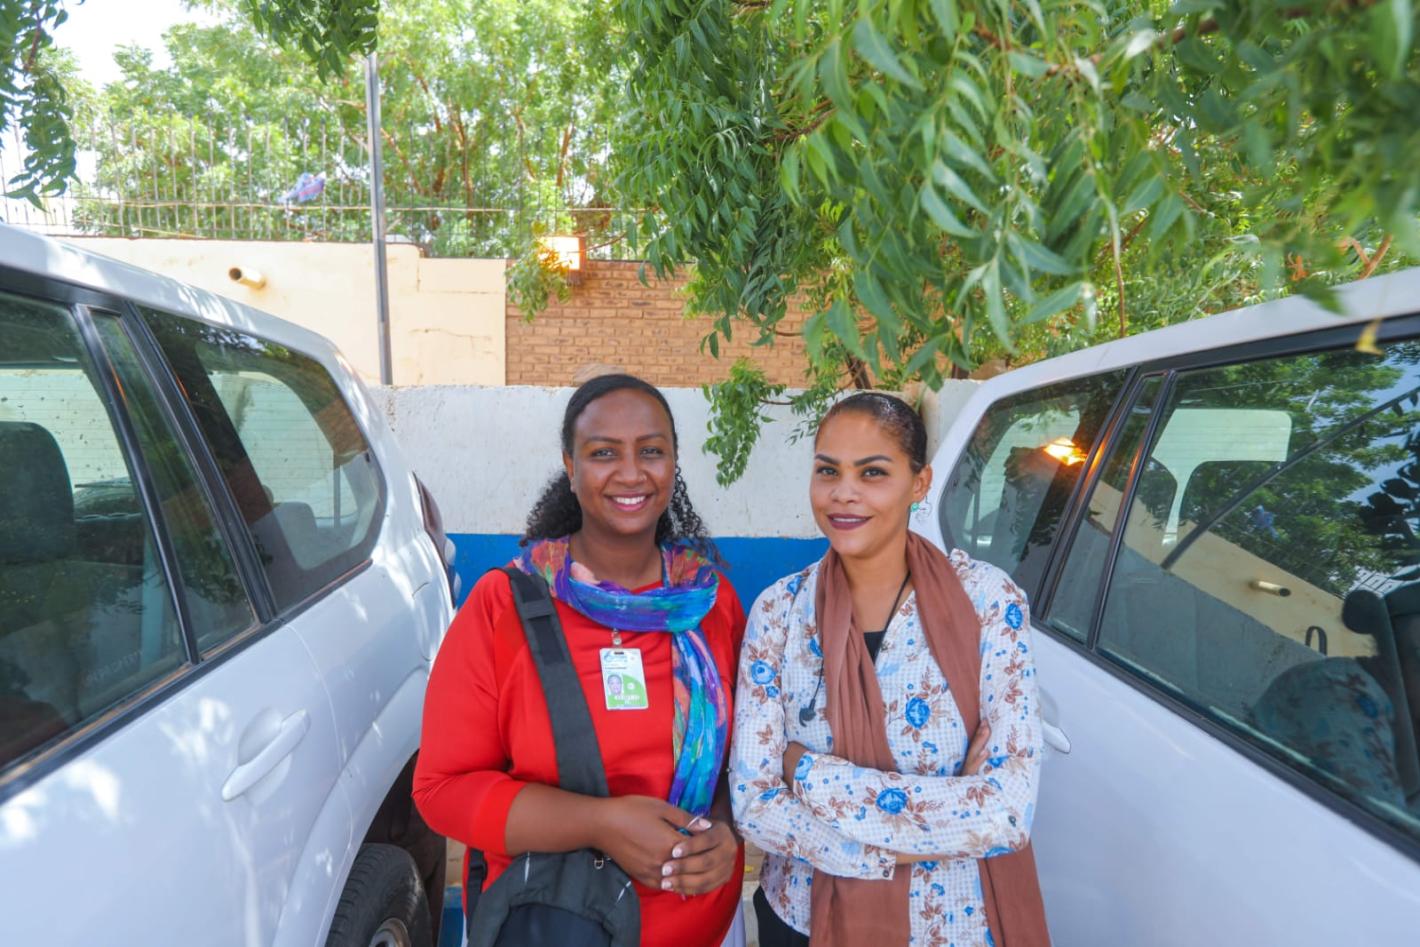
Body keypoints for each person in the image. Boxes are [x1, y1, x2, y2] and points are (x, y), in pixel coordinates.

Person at [413, 374, 747, 946]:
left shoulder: (711, 605)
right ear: (570, 467)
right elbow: (442, 791)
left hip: (702, 924)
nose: (631, 473)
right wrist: (600, 823)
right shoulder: (504, 607)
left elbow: (745, 761)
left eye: (651, 451)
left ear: (673, 464)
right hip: (550, 924)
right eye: (603, 453)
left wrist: (726, 829)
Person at [730, 392, 1050, 946]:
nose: (843, 493)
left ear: (919, 484)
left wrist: (802, 770)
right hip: (804, 919)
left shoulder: (988, 603)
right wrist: (933, 821)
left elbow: (1005, 813)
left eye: (872, 472)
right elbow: (754, 805)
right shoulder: (779, 612)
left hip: (950, 924)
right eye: (827, 471)